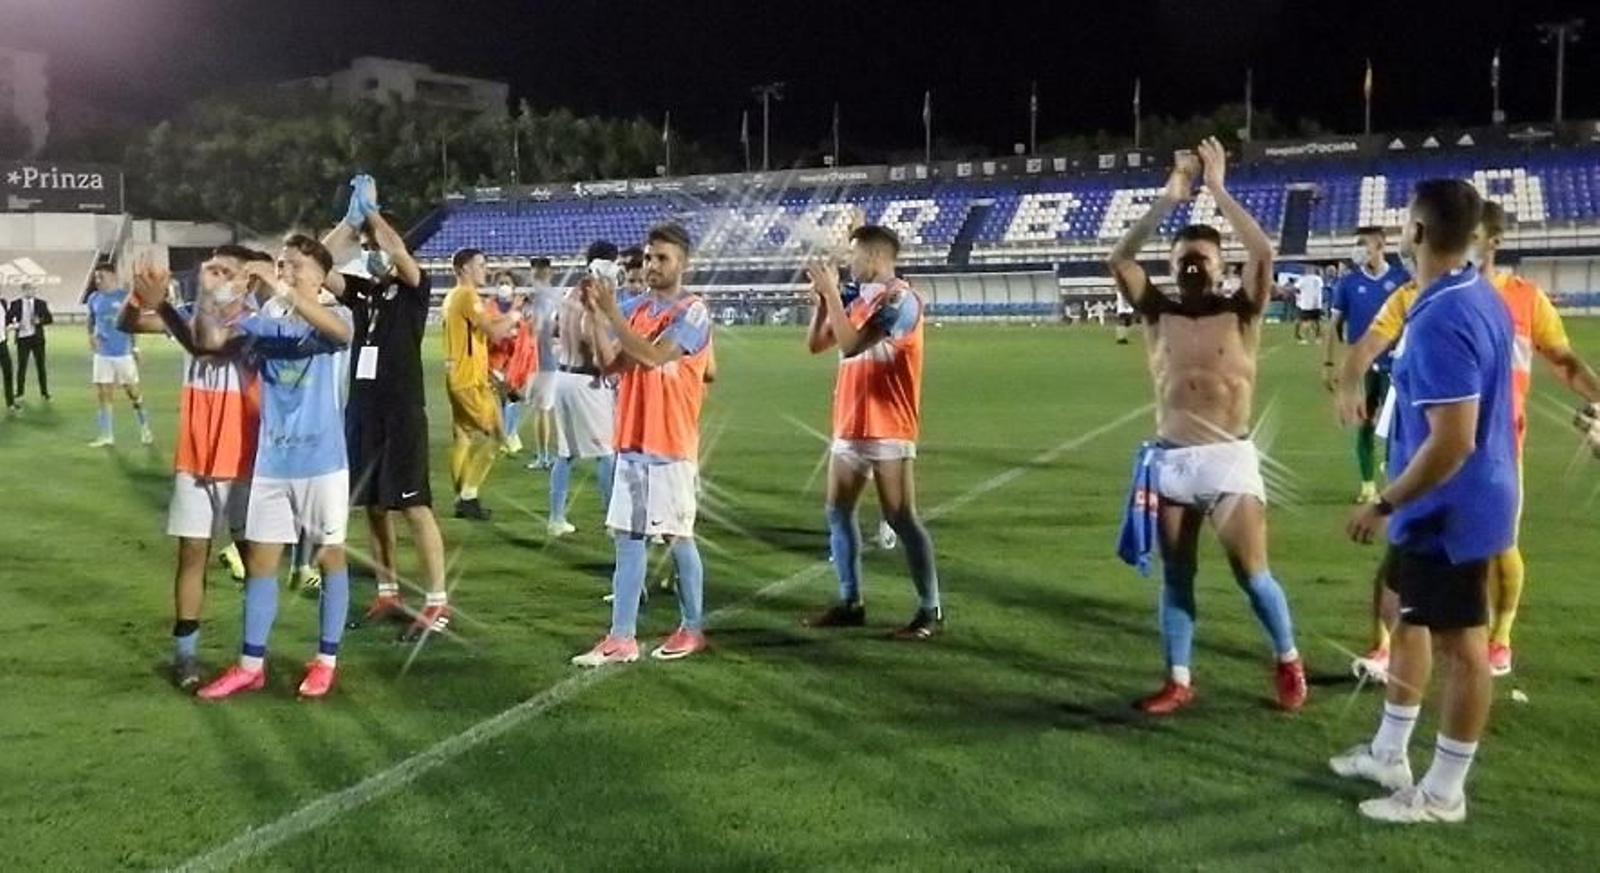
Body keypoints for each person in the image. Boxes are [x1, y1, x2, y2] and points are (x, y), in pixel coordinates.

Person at [1337, 200, 1600, 681]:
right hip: (1425, 445)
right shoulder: (1416, 295)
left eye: (1472, 236)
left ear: (1493, 242)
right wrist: (1350, 382)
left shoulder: (1523, 299)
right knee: (1401, 549)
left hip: (1494, 449)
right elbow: (1368, 344)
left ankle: (1498, 641)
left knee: (1498, 550)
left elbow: (1564, 361)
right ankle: (1386, 647)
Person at [1330, 179, 1518, 824]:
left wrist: (1383, 503)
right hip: (1443, 503)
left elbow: (1453, 440)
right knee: (1403, 613)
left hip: (1449, 508)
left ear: (1415, 231)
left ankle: (1443, 793)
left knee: (1463, 648)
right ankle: (1389, 753)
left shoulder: (1443, 315)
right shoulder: (1470, 294)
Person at [1107, 139, 1306, 716]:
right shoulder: (1157, 311)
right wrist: (1169, 199)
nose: (1193, 265)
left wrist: (1217, 190)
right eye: (1183, 259)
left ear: (1221, 267)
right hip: (1170, 461)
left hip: (1228, 461)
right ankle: (1178, 678)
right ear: (1172, 267)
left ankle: (1288, 659)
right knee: (1177, 576)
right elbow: (1120, 259)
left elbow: (1263, 252)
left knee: (1252, 574)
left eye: (1204, 258)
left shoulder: (1242, 312)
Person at [194, 234, 355, 700]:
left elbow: (339, 335)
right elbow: (218, 332)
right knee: (261, 563)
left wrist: (282, 290)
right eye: (282, 263)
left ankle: (326, 660)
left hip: (322, 461)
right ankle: (250, 666)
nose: (285, 270)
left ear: (321, 274)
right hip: (273, 461)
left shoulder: (338, 313)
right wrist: (232, 289)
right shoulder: (268, 313)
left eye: (295, 264)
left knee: (329, 556)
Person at [118, 248, 263, 688]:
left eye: (224, 272)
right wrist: (139, 296)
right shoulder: (190, 315)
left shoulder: (258, 323)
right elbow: (128, 324)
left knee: (255, 557)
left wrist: (162, 303)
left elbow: (207, 346)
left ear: (246, 282)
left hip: (246, 458)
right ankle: (186, 656)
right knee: (193, 553)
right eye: (209, 269)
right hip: (197, 456)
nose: (212, 277)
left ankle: (253, 654)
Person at [571, 223, 712, 666]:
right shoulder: (635, 308)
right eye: (649, 257)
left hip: (670, 442)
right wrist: (595, 316)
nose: (652, 265)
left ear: (683, 263)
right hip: (632, 437)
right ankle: (622, 638)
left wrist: (611, 312)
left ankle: (692, 629)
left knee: (677, 537)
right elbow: (610, 365)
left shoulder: (693, 311)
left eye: (662, 258)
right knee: (628, 539)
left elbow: (653, 357)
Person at [322, 176, 456, 642]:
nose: (370, 252)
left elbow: (398, 251)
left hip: (402, 411)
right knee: (374, 506)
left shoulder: (415, 287)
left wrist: (374, 215)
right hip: (362, 410)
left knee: (413, 505)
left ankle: (437, 601)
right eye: (365, 247)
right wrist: (349, 222)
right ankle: (388, 591)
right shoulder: (364, 292)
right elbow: (317, 266)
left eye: (374, 245)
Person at [801, 224, 943, 640]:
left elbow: (851, 345)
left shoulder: (901, 300)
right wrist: (822, 303)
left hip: (888, 425)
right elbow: (817, 344)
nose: (850, 262)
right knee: (837, 511)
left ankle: (930, 610)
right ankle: (851, 602)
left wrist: (832, 294)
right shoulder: (861, 299)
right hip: (850, 423)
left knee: (900, 517)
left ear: (877, 257)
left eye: (855, 255)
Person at [1324, 227, 1410, 504]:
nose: (1358, 249)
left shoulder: (1401, 279)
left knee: (1397, 429)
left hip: (1395, 365)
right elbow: (1333, 325)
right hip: (1362, 368)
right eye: (1357, 244)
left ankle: (1394, 482)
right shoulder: (1348, 283)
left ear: (1380, 246)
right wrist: (1329, 363)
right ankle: (1367, 486)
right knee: (1365, 424)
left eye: (1363, 244)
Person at [547, 243, 620, 538]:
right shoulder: (594, 296)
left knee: (566, 453)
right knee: (606, 452)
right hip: (586, 381)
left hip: (562, 376)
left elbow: (553, 331)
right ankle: (613, 521)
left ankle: (556, 519)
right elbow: (591, 335)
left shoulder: (569, 294)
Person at [442, 248, 514, 520]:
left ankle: (461, 497)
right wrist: (515, 315)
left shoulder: (453, 296)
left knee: (463, 437)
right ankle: (468, 497)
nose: (486, 269)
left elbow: (481, 330)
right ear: (464, 269)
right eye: (481, 265)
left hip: (458, 376)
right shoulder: (467, 295)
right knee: (497, 437)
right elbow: (494, 333)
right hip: (469, 380)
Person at [85, 263, 154, 447]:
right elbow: (91, 319)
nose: (97, 280)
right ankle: (107, 435)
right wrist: (91, 336)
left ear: (111, 277)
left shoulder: (124, 297)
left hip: (122, 353)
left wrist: (135, 348)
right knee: (103, 394)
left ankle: (145, 428)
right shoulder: (94, 298)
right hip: (102, 354)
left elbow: (134, 324)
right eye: (96, 277)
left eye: (100, 276)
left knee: (133, 393)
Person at [489, 271, 538, 456]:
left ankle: (510, 434)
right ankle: (503, 435)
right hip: (495, 360)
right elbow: (490, 332)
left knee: (513, 398)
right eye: (500, 283)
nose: (504, 286)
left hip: (515, 361)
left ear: (514, 287)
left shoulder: (522, 308)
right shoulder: (490, 307)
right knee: (499, 400)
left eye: (507, 283)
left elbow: (528, 332)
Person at [524, 257, 561, 470]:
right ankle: (547, 455)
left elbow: (536, 328)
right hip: (543, 360)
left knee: (542, 410)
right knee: (544, 409)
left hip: (542, 361)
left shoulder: (540, 298)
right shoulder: (548, 296)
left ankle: (544, 457)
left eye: (539, 272)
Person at [8, 283, 52, 402]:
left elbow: (49, 319)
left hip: (37, 339)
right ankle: (20, 392)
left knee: (41, 366)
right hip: (22, 339)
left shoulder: (41, 303)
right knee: (22, 366)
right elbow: (8, 319)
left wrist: (40, 321)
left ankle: (44, 392)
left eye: (32, 290)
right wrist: (15, 324)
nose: (30, 292)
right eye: (27, 290)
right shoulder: (15, 304)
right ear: (23, 291)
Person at [1292, 265, 1324, 344]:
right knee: (1316, 321)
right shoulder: (1318, 279)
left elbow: (1296, 288)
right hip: (1317, 303)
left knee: (1306, 321)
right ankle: (1318, 338)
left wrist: (1298, 295)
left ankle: (1305, 338)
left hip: (1306, 303)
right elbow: (1321, 287)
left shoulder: (1303, 279)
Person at [0, 291, 16, 412]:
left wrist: (11, 326)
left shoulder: (3, 303)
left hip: (2, 343)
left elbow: (6, 321)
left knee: (8, 372)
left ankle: (10, 402)